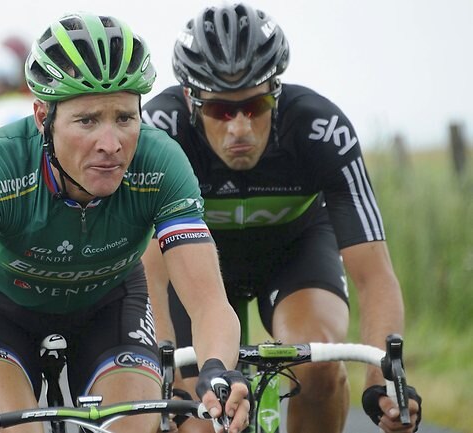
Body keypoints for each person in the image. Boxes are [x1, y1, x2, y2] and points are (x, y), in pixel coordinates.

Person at [0, 12, 250, 433]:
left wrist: (218, 368)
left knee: (135, 425)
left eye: (125, 119)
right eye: (87, 120)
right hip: (3, 310)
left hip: (107, 304)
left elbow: (209, 303)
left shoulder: (161, 163)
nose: (111, 145)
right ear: (43, 117)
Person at [141, 3, 422, 433]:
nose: (239, 128)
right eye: (220, 110)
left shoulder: (321, 129)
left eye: (255, 106)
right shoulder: (159, 133)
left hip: (293, 257)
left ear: (277, 90)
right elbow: (150, 274)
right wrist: (172, 383)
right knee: (194, 416)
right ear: (190, 101)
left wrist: (382, 381)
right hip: (194, 268)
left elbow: (374, 273)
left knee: (318, 368)